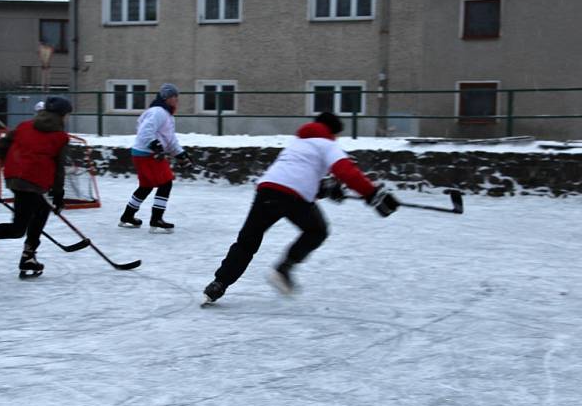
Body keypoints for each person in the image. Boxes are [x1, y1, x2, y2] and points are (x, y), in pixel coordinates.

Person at [202, 112, 400, 304]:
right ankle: (284, 269)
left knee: (247, 241)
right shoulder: (327, 144)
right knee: (317, 231)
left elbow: (295, 174)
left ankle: (219, 284)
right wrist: (372, 194)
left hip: (267, 191)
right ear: (333, 132)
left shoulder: (297, 143)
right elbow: (346, 171)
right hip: (293, 197)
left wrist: (326, 189)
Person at [0, 95, 71, 278]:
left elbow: (2, 145)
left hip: (15, 177)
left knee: (41, 211)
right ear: (63, 115)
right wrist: (58, 195)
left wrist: (11, 164)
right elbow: (59, 169)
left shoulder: (24, 126)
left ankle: (29, 256)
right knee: (18, 228)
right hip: (32, 181)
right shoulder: (60, 137)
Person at [118, 83, 194, 233]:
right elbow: (145, 131)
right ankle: (156, 219)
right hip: (147, 154)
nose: (177, 100)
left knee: (146, 186)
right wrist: (155, 145)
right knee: (166, 183)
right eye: (174, 97)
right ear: (166, 98)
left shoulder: (167, 115)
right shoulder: (158, 112)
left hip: (145, 153)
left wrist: (181, 155)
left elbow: (170, 140)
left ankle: (127, 216)